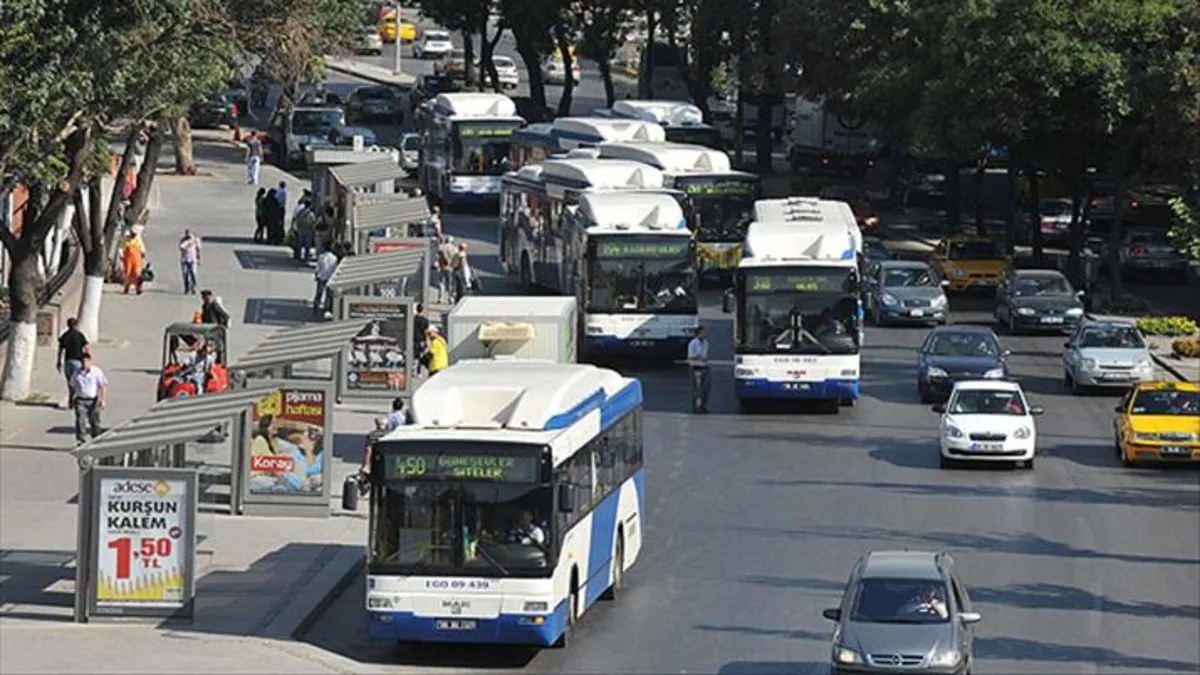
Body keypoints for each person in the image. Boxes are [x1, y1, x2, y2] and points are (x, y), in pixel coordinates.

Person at [71, 353, 107, 444]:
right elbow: (72, 385)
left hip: (93, 400)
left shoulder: (96, 372)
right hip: (80, 400)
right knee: (80, 420)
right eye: (83, 362)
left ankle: (96, 437)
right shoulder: (77, 373)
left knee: (94, 420)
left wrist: (103, 400)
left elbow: (103, 386)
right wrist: (71, 398)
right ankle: (81, 439)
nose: (84, 364)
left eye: (86, 362)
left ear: (90, 362)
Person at [56, 318, 89, 409]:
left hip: (68, 361)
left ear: (68, 325)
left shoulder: (65, 335)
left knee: (70, 383)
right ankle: (77, 401)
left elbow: (60, 350)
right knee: (78, 382)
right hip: (78, 361)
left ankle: (71, 401)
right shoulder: (80, 335)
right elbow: (86, 347)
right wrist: (87, 360)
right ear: (76, 325)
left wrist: (58, 362)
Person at [687, 324, 711, 413]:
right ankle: (696, 407)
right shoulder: (693, 343)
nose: (705, 334)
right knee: (697, 389)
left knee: (706, 388)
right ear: (699, 334)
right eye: (703, 333)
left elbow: (706, 354)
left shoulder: (706, 343)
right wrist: (699, 357)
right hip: (696, 367)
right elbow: (690, 356)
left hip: (705, 367)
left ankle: (703, 405)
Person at [314, 244, 338, 317]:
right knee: (328, 295)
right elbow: (334, 268)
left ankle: (316, 307)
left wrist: (316, 275)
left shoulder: (321, 256)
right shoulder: (334, 257)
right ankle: (326, 308)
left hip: (321, 277)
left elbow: (318, 267)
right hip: (330, 278)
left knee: (319, 293)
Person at [179, 229, 201, 294]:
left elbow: (198, 249)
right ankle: (187, 287)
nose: (188, 236)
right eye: (187, 235)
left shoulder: (196, 240)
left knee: (193, 273)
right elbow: (181, 248)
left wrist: (198, 258)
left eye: (189, 235)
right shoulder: (183, 240)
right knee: (185, 274)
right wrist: (189, 244)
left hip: (193, 259)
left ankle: (193, 287)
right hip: (184, 260)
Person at [436, 235, 457, 303]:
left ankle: (440, 298)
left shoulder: (441, 247)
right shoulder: (454, 248)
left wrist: (438, 265)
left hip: (442, 267)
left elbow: (437, 257)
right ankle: (450, 298)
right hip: (450, 268)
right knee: (450, 283)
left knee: (441, 283)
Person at [412, 303, 430, 371]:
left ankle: (413, 367)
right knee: (420, 356)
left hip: (413, 340)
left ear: (416, 309)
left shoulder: (413, 319)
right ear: (423, 310)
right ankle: (418, 370)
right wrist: (427, 343)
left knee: (413, 355)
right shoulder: (425, 321)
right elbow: (426, 333)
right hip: (421, 341)